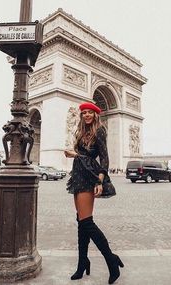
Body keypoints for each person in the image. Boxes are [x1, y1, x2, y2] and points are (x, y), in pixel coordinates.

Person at [64, 102, 124, 284]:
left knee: (87, 222)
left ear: (96, 115)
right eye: (84, 113)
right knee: (81, 222)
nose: (87, 115)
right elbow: (82, 154)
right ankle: (83, 262)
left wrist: (99, 180)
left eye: (90, 112)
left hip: (90, 176)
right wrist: (73, 153)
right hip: (78, 175)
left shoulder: (100, 131)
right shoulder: (81, 131)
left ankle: (111, 259)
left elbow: (104, 158)